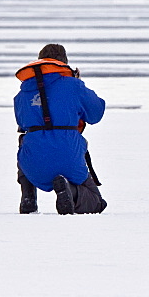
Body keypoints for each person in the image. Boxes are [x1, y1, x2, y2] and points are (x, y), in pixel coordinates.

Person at [13, 44, 107, 214]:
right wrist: (77, 84)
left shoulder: (23, 92)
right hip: (69, 155)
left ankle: (28, 196)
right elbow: (96, 114)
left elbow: (22, 122)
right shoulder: (73, 85)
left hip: (33, 164)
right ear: (64, 63)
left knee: (26, 141)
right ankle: (70, 190)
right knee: (96, 202)